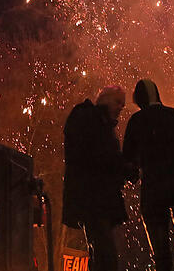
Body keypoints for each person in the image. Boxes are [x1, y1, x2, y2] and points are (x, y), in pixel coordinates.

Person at [122, 79, 174, 271]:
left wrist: (133, 176)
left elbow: (128, 164)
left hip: (154, 192)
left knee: (162, 254)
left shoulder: (136, 122)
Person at [62, 86, 132, 271]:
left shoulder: (91, 120)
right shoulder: (91, 119)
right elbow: (99, 155)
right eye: (118, 102)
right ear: (106, 99)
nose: (120, 108)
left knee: (99, 252)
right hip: (94, 199)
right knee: (105, 254)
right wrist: (124, 167)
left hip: (92, 199)